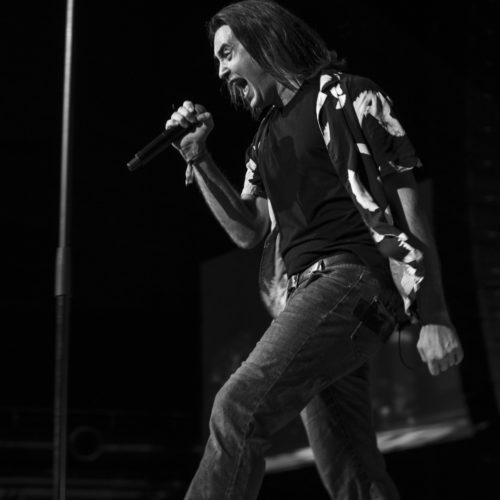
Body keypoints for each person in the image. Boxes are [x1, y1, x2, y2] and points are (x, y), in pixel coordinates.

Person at [165, 1, 464, 498]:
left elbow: (406, 201)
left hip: (349, 281)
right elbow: (249, 229)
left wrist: (433, 313)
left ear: (263, 41)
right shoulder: (263, 139)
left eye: (227, 53)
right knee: (351, 472)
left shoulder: (349, 95)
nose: (220, 71)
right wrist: (197, 157)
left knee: (236, 407)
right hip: (309, 301)